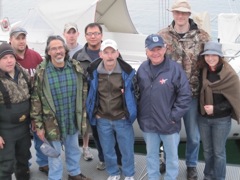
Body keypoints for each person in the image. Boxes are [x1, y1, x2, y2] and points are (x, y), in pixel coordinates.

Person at [158, 0, 210, 179]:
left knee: (193, 136)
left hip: (192, 95)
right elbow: (153, 62)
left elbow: (213, 62)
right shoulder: (162, 35)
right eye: (177, 12)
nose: (180, 16)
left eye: (184, 13)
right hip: (168, 96)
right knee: (167, 133)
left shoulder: (202, 36)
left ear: (189, 15)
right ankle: (165, 159)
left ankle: (191, 165)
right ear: (173, 14)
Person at [30, 35, 91, 180]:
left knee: (74, 149)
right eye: (54, 48)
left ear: (65, 49)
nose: (58, 51)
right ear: (48, 52)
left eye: (60, 48)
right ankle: (55, 177)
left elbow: (84, 92)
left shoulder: (76, 68)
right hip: (52, 122)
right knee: (54, 154)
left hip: (71, 117)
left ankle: (74, 173)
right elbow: (35, 100)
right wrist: (38, 126)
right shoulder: (41, 72)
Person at [137, 34, 192, 180]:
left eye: (159, 48)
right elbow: (136, 92)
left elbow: (185, 95)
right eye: (152, 49)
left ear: (165, 48)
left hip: (168, 123)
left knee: (172, 157)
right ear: (146, 51)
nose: (156, 53)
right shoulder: (142, 69)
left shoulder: (175, 69)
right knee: (151, 156)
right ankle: (153, 177)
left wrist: (173, 116)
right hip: (148, 123)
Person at [73, 22, 122, 170]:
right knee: (97, 133)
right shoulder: (78, 56)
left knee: (116, 133)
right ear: (85, 36)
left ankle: (119, 160)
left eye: (96, 33)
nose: (93, 36)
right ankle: (103, 159)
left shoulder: (111, 51)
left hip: (113, 101)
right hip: (91, 102)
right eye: (90, 34)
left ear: (101, 35)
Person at [86, 39, 137, 180]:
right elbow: (90, 93)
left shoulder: (128, 72)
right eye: (106, 52)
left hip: (122, 118)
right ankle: (113, 172)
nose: (109, 56)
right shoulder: (93, 72)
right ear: (101, 54)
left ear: (117, 53)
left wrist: (129, 114)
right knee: (108, 150)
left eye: (112, 52)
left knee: (126, 150)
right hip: (102, 118)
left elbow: (135, 94)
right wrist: (95, 113)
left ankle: (129, 174)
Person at [9, 26, 49, 174]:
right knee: (21, 139)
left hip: (36, 104)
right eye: (17, 38)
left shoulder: (35, 56)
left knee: (40, 135)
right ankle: (23, 164)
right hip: (17, 107)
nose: (21, 41)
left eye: (23, 38)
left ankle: (43, 163)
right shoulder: (8, 58)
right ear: (10, 40)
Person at [198, 41, 240, 180]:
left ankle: (220, 178)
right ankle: (208, 176)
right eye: (207, 55)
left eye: (214, 55)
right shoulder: (203, 71)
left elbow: (235, 100)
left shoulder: (230, 75)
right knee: (207, 151)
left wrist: (215, 108)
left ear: (220, 56)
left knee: (219, 153)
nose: (210, 58)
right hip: (203, 119)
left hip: (221, 120)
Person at [0, 43, 31, 180]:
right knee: (6, 164)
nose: (9, 60)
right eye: (4, 57)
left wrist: (35, 119)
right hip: (5, 131)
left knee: (23, 160)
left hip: (24, 128)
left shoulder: (23, 73)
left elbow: (34, 95)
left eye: (11, 56)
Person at [63, 22, 94, 161]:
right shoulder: (60, 49)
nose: (71, 35)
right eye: (68, 32)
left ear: (78, 34)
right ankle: (71, 148)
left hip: (82, 90)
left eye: (73, 32)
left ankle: (86, 147)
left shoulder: (83, 51)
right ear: (64, 34)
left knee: (85, 120)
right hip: (66, 90)